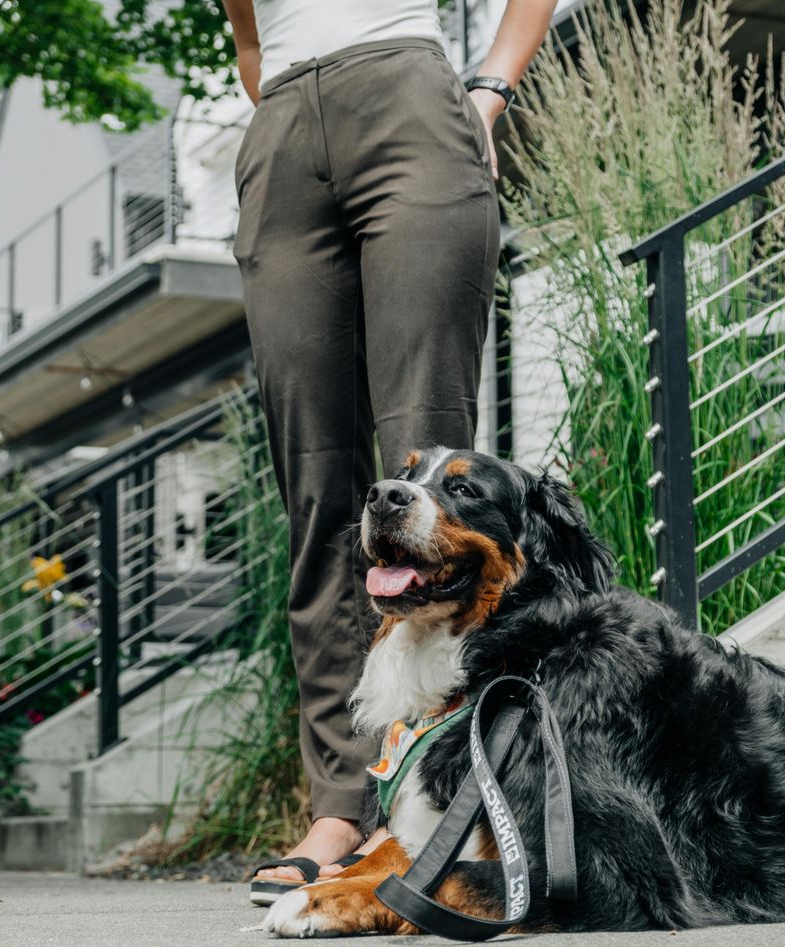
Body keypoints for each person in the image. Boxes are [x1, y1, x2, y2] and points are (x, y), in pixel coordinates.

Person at [224, 0, 558, 899]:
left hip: (411, 101)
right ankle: (341, 803)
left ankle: (446, 796)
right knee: (318, 491)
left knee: (429, 482)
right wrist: (284, 123)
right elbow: (251, 37)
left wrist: (487, 90)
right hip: (282, 137)